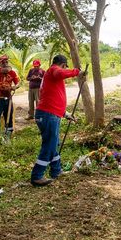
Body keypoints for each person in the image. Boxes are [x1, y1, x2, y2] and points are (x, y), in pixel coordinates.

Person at [30, 54, 85, 187]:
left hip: (50, 113)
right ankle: (37, 176)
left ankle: (56, 170)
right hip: (48, 115)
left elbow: (52, 98)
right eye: (65, 67)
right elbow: (60, 73)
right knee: (49, 145)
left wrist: (65, 114)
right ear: (63, 65)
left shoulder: (50, 76)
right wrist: (77, 72)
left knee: (53, 144)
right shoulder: (54, 70)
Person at [0, 55, 20, 139]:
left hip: (8, 98)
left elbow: (18, 83)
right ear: (0, 63)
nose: (5, 63)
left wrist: (15, 87)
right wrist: (9, 67)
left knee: (9, 116)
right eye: (3, 62)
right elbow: (6, 70)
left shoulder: (12, 73)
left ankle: (8, 134)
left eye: (6, 61)